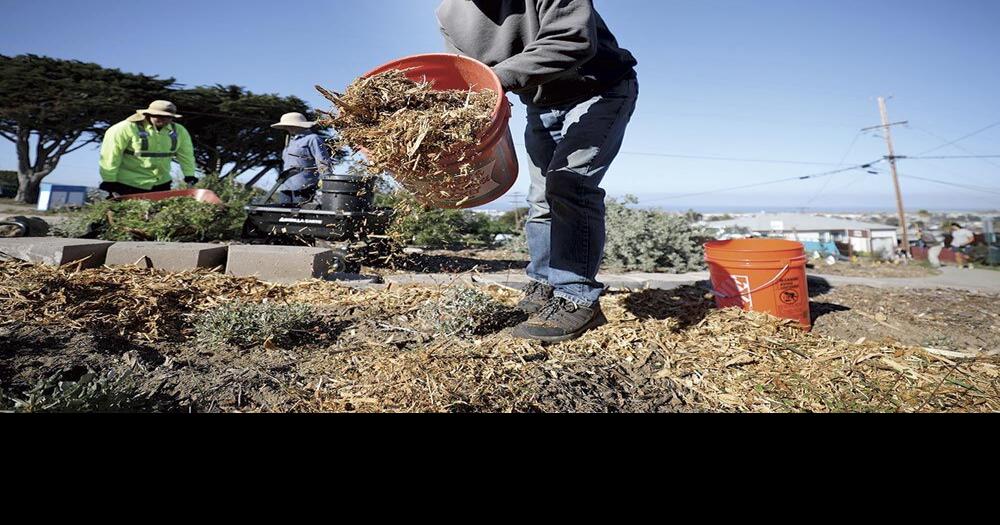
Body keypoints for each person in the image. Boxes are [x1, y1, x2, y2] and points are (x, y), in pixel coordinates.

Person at [437, 0, 639, 342]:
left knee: (569, 184)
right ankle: (544, 283)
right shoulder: (449, 12)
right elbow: (466, 73)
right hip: (540, 103)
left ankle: (577, 297)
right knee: (542, 197)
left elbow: (572, 40)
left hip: (599, 88)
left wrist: (493, 80)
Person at [99, 100, 197, 196]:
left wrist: (189, 175)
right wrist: (109, 180)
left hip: (162, 184)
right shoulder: (124, 128)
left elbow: (186, 155)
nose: (164, 119)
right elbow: (111, 156)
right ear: (148, 114)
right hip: (127, 185)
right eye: (159, 115)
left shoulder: (179, 131)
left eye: (168, 117)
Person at [270, 112, 333, 205]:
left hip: (304, 186)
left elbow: (322, 161)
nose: (288, 128)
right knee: (283, 212)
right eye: (286, 126)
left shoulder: (313, 139)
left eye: (290, 125)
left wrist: (327, 181)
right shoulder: (290, 141)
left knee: (300, 213)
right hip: (285, 185)